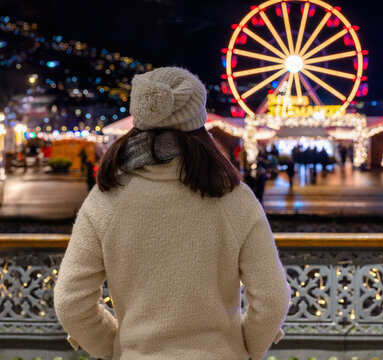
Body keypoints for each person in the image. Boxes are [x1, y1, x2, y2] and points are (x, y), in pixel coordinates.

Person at [54, 67, 290, 360]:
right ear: (198, 122)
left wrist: (116, 347)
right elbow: (272, 300)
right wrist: (244, 347)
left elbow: (71, 303)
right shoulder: (235, 198)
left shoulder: (104, 200)